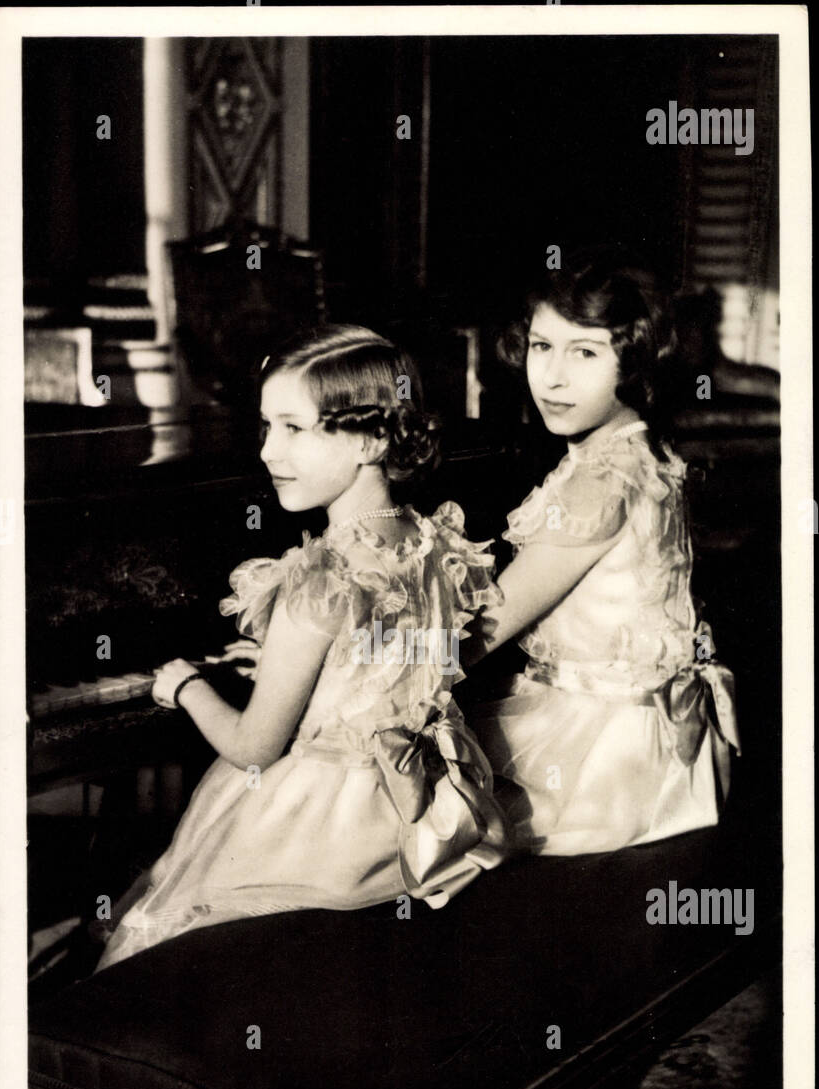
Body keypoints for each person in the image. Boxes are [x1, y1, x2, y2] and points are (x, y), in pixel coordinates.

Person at [95, 325, 507, 970]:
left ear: (373, 438)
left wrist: (185, 686)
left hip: (320, 830)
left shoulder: (321, 575)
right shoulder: (434, 545)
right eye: (265, 427)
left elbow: (255, 748)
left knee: (159, 915)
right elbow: (383, 661)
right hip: (409, 814)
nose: (268, 452)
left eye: (294, 428)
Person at [467, 248, 740, 856]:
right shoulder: (633, 447)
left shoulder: (601, 480)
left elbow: (482, 631)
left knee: (408, 815)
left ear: (634, 362)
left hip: (610, 759)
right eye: (542, 347)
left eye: (584, 353)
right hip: (652, 738)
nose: (553, 378)